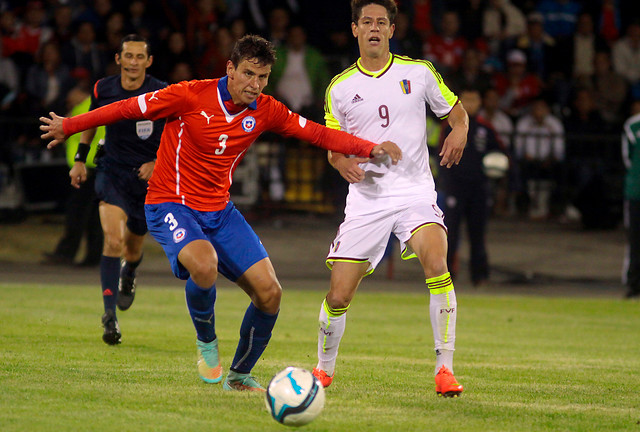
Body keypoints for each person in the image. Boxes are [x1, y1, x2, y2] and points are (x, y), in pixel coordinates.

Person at [41, 34, 401, 392]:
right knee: (204, 263)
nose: (255, 85)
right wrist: (70, 125)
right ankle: (207, 342)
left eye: (262, 77)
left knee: (270, 294)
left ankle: (240, 375)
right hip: (171, 202)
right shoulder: (189, 95)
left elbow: (318, 134)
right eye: (248, 74)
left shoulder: (266, 109)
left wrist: (369, 148)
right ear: (230, 68)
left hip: (219, 211)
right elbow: (126, 108)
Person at [313, 0, 468, 397]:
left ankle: (445, 370)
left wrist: (459, 131)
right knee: (338, 295)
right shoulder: (340, 87)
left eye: (382, 22)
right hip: (367, 201)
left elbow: (458, 113)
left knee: (437, 260)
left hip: (414, 192)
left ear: (392, 30)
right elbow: (333, 147)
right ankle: (323, 369)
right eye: (367, 22)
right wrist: (342, 161)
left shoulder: (418, 73)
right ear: (355, 30)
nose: (374, 28)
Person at [69, 34, 168, 345]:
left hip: (146, 180)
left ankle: (129, 273)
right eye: (129, 56)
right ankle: (109, 316)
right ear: (119, 59)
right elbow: (90, 122)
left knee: (133, 249)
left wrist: (156, 161)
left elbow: (175, 133)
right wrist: (80, 160)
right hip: (112, 171)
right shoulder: (103, 88)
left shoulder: (162, 92)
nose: (134, 62)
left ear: (149, 62)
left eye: (140, 57)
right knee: (113, 239)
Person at [439, 88, 507, 286]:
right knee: (450, 234)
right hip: (455, 188)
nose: (470, 103)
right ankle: (446, 277)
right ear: (459, 101)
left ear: (480, 102)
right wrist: (445, 183)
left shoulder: (486, 128)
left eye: (474, 99)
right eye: (466, 99)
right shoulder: (449, 127)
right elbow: (439, 154)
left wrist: (500, 171)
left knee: (478, 235)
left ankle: (480, 276)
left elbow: (501, 154)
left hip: (479, 189)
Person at [41, 87, 104, 267]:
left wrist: (82, 162)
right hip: (93, 168)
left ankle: (65, 253)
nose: (69, 100)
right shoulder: (89, 106)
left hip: (87, 168)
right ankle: (93, 257)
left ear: (80, 93)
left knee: (77, 213)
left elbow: (93, 136)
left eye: (71, 96)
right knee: (93, 215)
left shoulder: (87, 107)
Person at [622, 100, 640, 298]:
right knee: (635, 240)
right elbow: (627, 159)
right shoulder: (633, 125)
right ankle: (634, 283)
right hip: (636, 191)